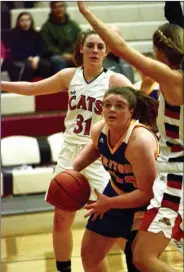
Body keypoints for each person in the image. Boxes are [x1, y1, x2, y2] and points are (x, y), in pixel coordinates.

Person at [1, 29, 133, 272]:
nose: (95, 50)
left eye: (100, 47)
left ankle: (137, 262)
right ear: (80, 49)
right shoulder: (69, 75)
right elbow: (32, 89)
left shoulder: (115, 81)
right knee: (61, 219)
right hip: (69, 154)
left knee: (112, 222)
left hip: (99, 156)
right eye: (90, 45)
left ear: (107, 51)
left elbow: (141, 104)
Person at [77, 2, 184, 272]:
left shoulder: (174, 80)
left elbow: (122, 50)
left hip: (176, 176)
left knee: (143, 258)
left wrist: (88, 14)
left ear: (160, 52)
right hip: (171, 174)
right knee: (139, 254)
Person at [72, 86, 159, 272]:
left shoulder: (139, 142)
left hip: (150, 203)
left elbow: (147, 192)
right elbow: (95, 149)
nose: (112, 110)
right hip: (116, 192)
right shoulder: (99, 131)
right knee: (90, 254)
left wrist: (110, 203)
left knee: (139, 262)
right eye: (107, 105)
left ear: (131, 112)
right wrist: (72, 173)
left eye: (119, 106)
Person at [40, 1, 81, 74]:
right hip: (56, 55)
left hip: (72, 54)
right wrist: (62, 54)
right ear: (51, 9)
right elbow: (47, 46)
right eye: (56, 7)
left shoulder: (73, 25)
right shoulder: (46, 27)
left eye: (61, 6)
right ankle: (62, 84)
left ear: (65, 8)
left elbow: (80, 41)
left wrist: (74, 54)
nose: (59, 9)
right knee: (58, 60)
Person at [10, 12, 51, 81]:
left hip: (34, 58)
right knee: (29, 66)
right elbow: (15, 52)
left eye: (28, 20)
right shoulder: (13, 34)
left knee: (46, 65)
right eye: (22, 20)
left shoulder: (35, 34)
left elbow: (40, 48)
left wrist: (37, 57)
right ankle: (24, 88)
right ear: (18, 22)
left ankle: (44, 87)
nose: (25, 23)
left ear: (31, 21)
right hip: (20, 58)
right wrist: (30, 58)